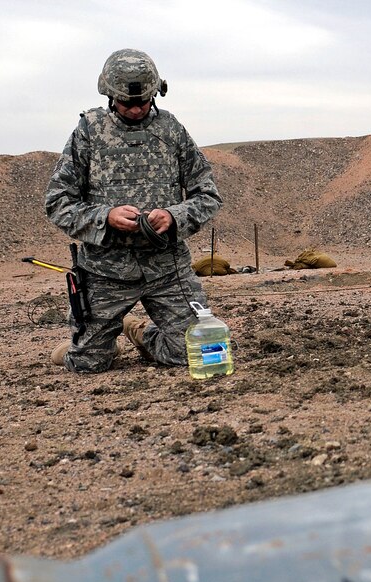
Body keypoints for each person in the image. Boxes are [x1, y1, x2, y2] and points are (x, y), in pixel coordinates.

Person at [45, 48, 223, 372]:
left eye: (144, 100)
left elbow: (208, 194)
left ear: (156, 92)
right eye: (128, 102)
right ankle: (81, 346)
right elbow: (58, 202)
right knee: (88, 364)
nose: (137, 108)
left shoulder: (172, 131)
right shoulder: (89, 132)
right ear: (111, 95)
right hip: (105, 272)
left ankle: (140, 333)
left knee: (199, 354)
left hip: (167, 270)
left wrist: (174, 217)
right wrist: (105, 217)